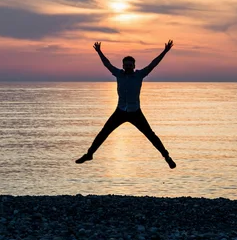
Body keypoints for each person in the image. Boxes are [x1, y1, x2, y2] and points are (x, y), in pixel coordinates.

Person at [75, 40, 176, 169]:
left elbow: (153, 64)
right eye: (126, 65)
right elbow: (107, 64)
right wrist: (99, 52)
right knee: (103, 132)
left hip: (135, 112)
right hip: (120, 112)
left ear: (134, 66)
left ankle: (167, 157)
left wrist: (165, 51)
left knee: (151, 135)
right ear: (123, 65)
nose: (128, 66)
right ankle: (89, 154)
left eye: (130, 65)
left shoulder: (139, 75)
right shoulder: (119, 74)